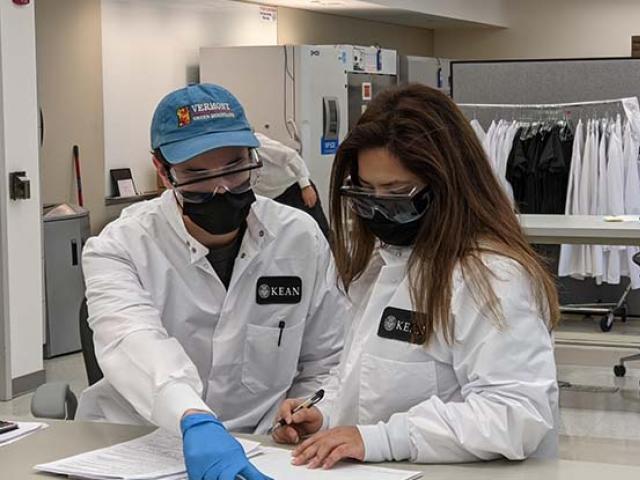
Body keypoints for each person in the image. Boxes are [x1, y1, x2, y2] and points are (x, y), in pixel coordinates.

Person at [272, 84, 560, 468]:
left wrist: (382, 438)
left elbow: (516, 413)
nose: (380, 207)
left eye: (396, 191)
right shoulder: (380, 262)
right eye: (367, 191)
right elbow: (365, 375)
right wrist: (322, 414)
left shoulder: (491, 275)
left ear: (447, 184)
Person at [76, 84, 347, 480]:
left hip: (261, 448)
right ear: (162, 170)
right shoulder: (118, 247)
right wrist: (195, 421)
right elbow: (134, 339)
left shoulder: (299, 237)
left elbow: (327, 357)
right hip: (137, 444)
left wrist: (312, 407)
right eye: (197, 175)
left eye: (236, 168)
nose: (221, 188)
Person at [253, 132, 330, 238]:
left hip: (294, 189)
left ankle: (332, 253)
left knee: (318, 231)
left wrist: (305, 186)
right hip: (272, 199)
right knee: (290, 237)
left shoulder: (257, 143)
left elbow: (291, 156)